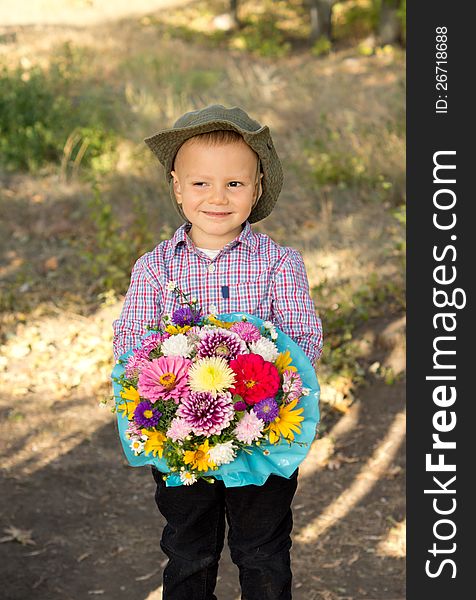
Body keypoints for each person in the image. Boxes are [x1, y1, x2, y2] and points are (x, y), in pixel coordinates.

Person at [112, 104, 323, 600]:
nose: (218, 197)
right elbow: (130, 344)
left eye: (234, 184)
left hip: (262, 437)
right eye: (201, 183)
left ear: (257, 188)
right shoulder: (155, 268)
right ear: (177, 187)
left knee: (263, 551)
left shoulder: (278, 264)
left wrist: (264, 378)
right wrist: (164, 390)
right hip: (181, 438)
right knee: (189, 551)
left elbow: (302, 339)